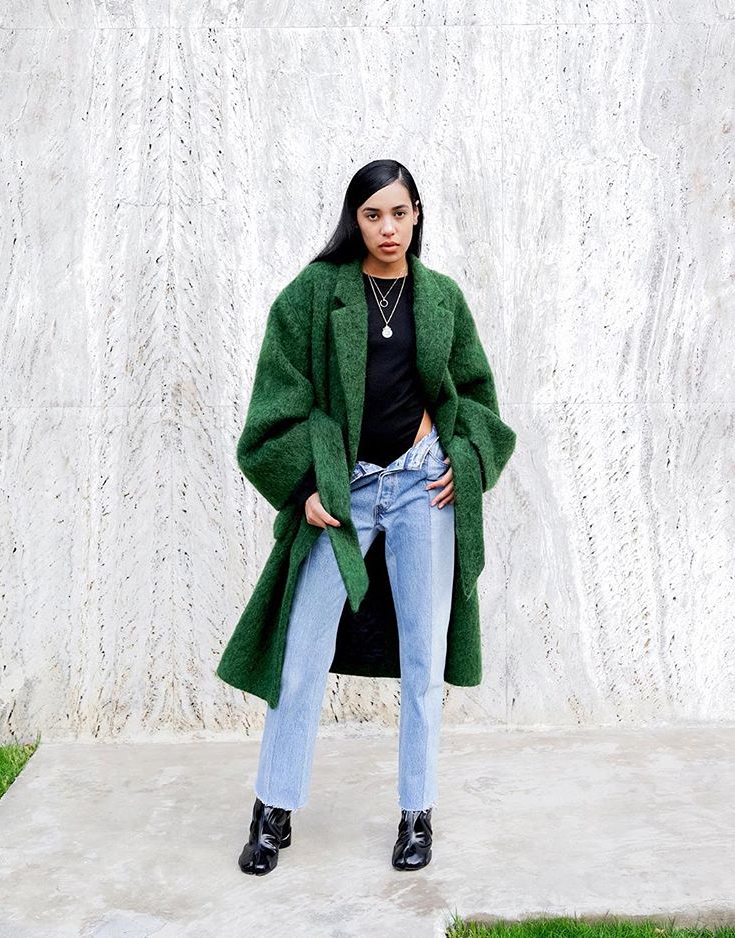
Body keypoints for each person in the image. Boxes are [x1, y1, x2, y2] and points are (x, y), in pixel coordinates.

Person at [223, 159, 518, 876]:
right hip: (342, 492)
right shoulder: (314, 294)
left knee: (424, 658)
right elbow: (275, 402)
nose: (388, 228)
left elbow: (478, 397)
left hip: (422, 487)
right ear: (354, 220)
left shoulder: (441, 298)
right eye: (373, 214)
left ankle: (417, 814)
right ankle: (273, 809)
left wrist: (465, 461)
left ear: (418, 214)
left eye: (400, 213)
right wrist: (303, 485)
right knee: (301, 653)